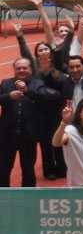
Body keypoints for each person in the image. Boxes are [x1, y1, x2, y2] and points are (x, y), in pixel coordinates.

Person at [2, 58, 59, 187]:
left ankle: (27, 199)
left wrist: (27, 91)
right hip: (7, 135)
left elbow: (49, 97)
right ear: (14, 70)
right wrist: (8, 97)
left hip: (28, 136)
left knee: (28, 170)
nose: (21, 70)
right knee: (3, 169)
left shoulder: (37, 83)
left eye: (24, 68)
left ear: (30, 70)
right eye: (18, 68)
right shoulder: (5, 83)